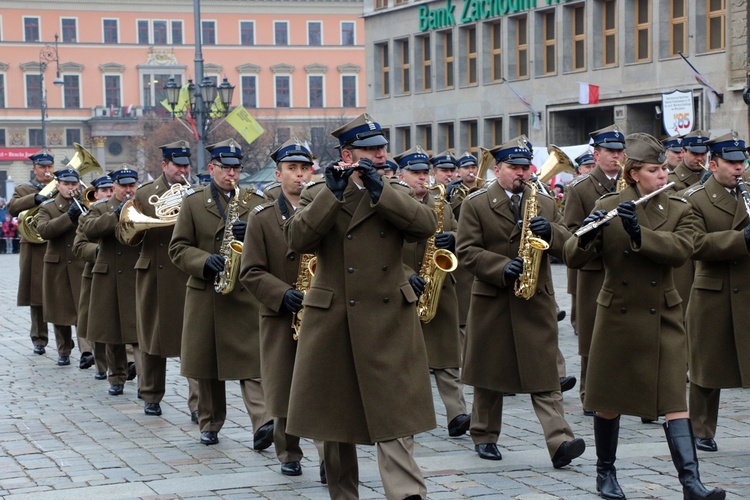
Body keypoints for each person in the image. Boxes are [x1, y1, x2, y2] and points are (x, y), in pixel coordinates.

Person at [284, 113, 437, 499]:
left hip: (388, 319)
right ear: (348, 154)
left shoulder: (393, 189)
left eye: (383, 148)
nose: (382, 155)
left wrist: (378, 191)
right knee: (334, 422)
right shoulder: (318, 190)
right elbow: (298, 239)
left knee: (396, 416)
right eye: (372, 149)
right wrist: (332, 195)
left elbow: (424, 225)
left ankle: (406, 494)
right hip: (334, 319)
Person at [564, 133, 725, 500]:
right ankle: (606, 475)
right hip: (616, 315)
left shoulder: (680, 208)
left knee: (673, 401)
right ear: (634, 173)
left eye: (664, 169)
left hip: (663, 315)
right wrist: (587, 234)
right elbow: (572, 257)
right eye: (654, 170)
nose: (663, 176)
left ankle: (690, 483)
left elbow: (681, 250)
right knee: (608, 402)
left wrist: (640, 233)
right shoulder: (608, 204)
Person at [456, 135, 585, 468]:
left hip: (534, 300)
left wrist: (552, 234)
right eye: (513, 167)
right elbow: (466, 251)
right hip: (493, 299)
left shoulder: (543, 201)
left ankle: (560, 441)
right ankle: (483, 434)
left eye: (525, 167)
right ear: (497, 169)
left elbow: (569, 246)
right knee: (489, 373)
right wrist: (500, 266)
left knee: (544, 373)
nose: (521, 173)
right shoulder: (476, 202)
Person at [169, 138, 273, 447]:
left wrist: (252, 232)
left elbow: (271, 242)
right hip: (206, 294)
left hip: (243, 294)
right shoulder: (193, 201)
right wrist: (203, 260)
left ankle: (263, 423)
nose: (232, 175)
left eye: (236, 169)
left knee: (253, 365)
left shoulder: (254, 201)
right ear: (211, 168)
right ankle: (210, 422)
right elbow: (178, 248)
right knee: (207, 365)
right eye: (225, 169)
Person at [240, 138, 323, 478]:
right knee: (283, 386)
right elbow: (250, 271)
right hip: (279, 314)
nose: (299, 176)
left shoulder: (322, 209)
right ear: (278, 174)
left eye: (304, 168)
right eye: (292, 169)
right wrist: (280, 293)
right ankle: (288, 451)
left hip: (319, 310)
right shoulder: (260, 217)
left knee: (321, 386)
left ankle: (328, 456)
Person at [120, 141, 200, 419]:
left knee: (192, 339)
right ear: (164, 165)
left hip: (185, 272)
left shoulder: (197, 192)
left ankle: (198, 404)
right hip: (154, 272)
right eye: (177, 165)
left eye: (186, 164)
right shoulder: (144, 194)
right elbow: (128, 234)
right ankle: (151, 394)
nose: (183, 169)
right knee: (152, 338)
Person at [396, 145, 471, 438]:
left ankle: (457, 414)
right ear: (401, 175)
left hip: (439, 287)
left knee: (447, 358)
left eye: (424, 173)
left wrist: (451, 238)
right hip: (403, 288)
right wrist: (405, 275)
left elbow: (460, 235)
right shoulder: (393, 202)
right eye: (415, 173)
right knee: (404, 359)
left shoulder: (441, 203)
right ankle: (405, 415)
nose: (421, 178)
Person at [683, 132, 750, 455]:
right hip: (715, 293)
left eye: (742, 162)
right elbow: (694, 245)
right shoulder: (695, 198)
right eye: (732, 163)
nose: (739, 169)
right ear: (714, 164)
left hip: (748, 290)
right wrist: (741, 240)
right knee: (707, 368)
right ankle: (700, 429)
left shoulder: (748, 194)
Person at [562, 124, 626, 415]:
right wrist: (594, 229)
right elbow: (570, 231)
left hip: (626, 266)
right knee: (592, 334)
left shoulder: (630, 182)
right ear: (596, 154)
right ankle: (590, 392)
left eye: (619, 151)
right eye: (610, 152)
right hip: (594, 269)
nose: (616, 157)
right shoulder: (580, 188)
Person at [81, 167, 141, 396]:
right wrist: (115, 215)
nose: (128, 190)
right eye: (123, 185)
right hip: (109, 274)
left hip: (136, 271)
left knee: (139, 332)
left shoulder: (143, 205)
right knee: (112, 330)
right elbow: (88, 230)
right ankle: (116, 376)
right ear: (114, 186)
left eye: (131, 185)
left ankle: (144, 380)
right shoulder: (100, 208)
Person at [35, 168, 86, 366]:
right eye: (66, 184)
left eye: (73, 184)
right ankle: (64, 350)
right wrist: (68, 217)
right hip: (57, 265)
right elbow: (44, 231)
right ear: (58, 186)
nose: (70, 188)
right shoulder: (48, 207)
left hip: (80, 262)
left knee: (83, 310)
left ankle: (87, 352)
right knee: (60, 311)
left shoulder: (85, 204)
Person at [7, 150, 55, 355]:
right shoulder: (23, 188)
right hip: (33, 246)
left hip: (56, 242)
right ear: (34, 169)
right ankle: (39, 338)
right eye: (42, 167)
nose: (46, 171)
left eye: (49, 167)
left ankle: (68, 341)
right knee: (36, 295)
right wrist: (35, 198)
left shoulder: (62, 186)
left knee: (63, 291)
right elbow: (12, 208)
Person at [72, 175, 113, 379]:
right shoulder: (88, 215)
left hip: (126, 274)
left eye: (111, 190)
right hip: (96, 272)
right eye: (104, 191)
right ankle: (100, 364)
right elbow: (79, 246)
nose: (108, 194)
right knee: (98, 321)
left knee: (129, 323)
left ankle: (131, 365)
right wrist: (99, 251)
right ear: (95, 194)